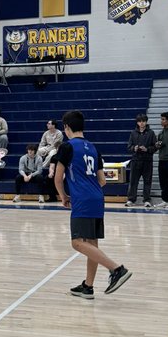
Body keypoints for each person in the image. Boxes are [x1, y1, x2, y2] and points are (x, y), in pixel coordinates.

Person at [54, 110, 131, 299]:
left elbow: (58, 177)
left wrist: (63, 196)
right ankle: (88, 286)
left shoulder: (67, 147)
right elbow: (103, 180)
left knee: (77, 243)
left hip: (82, 199)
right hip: (97, 198)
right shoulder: (94, 148)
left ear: (66, 127)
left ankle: (116, 269)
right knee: (92, 244)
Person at [125, 113, 156, 208]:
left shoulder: (151, 133)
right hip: (135, 160)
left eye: (143, 121)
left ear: (146, 122)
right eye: (140, 121)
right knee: (133, 181)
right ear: (137, 122)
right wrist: (134, 148)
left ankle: (147, 200)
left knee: (147, 181)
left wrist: (147, 149)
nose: (142, 123)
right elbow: (129, 146)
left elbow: (155, 146)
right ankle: (131, 199)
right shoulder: (133, 133)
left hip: (147, 160)